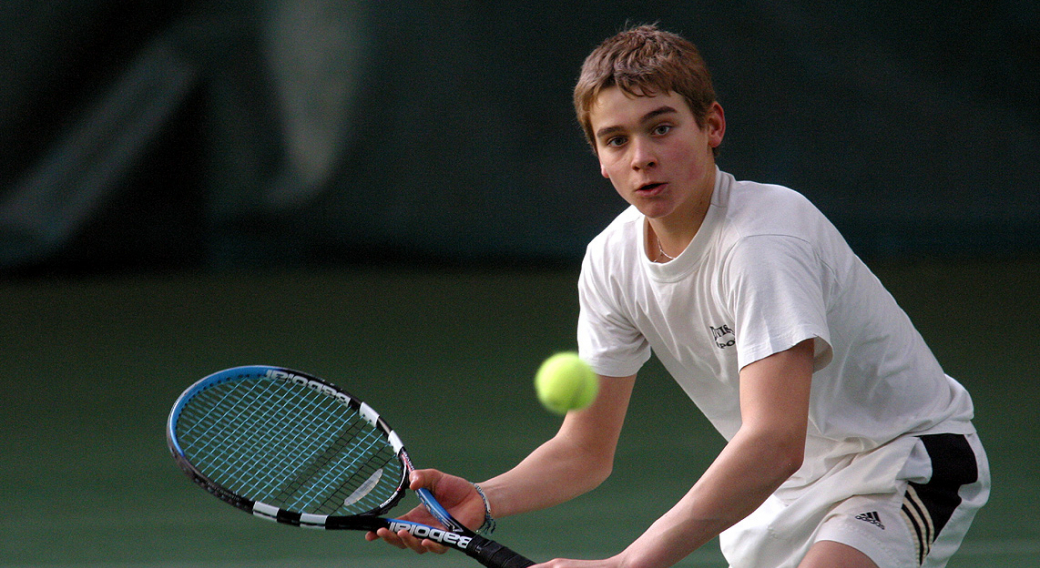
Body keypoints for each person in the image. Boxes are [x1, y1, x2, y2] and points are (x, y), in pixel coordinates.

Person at [368, 24, 989, 568]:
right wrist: (485, 496)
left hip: (901, 458)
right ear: (600, 160)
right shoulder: (612, 261)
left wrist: (630, 561)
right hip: (782, 490)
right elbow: (584, 451)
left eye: (661, 128)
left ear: (711, 125)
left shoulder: (765, 238)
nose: (642, 158)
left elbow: (774, 439)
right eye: (616, 140)